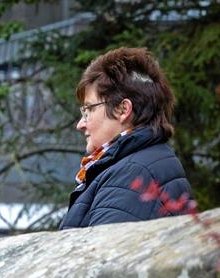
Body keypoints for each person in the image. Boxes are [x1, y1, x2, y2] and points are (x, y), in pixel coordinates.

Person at [60, 46, 193, 229]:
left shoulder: (132, 173)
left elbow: (100, 254)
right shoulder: (141, 162)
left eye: (89, 109)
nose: (80, 124)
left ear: (123, 110)